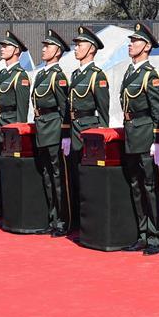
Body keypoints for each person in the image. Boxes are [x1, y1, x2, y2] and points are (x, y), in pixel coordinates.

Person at [120, 23, 159, 256]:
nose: (131, 45)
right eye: (130, 41)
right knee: (136, 186)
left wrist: (157, 141)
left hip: (146, 134)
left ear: (146, 46)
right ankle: (142, 233)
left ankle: (156, 237)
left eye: (135, 41)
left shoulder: (151, 74)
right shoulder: (131, 72)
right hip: (131, 133)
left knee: (150, 187)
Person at [65, 26, 109, 230]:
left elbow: (103, 112)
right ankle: (78, 223)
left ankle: (92, 224)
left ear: (91, 49)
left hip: (89, 130)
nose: (75, 48)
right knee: (75, 177)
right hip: (74, 129)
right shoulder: (75, 74)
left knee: (89, 180)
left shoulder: (96, 76)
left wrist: (104, 140)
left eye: (79, 45)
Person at [0, 30, 30, 217]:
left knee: (12, 170)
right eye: (2, 46)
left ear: (16, 50)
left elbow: (22, 109)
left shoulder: (20, 76)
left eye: (6, 46)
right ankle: (0, 208)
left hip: (11, 127)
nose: (2, 49)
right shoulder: (3, 73)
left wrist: (18, 133)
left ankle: (12, 211)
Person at [32, 29, 71, 236]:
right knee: (47, 175)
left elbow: (64, 108)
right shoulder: (42, 74)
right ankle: (52, 217)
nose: (44, 49)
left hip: (54, 128)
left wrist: (65, 134)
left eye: (48, 46)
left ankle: (63, 220)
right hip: (41, 127)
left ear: (57, 51)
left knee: (58, 176)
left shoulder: (58, 76)